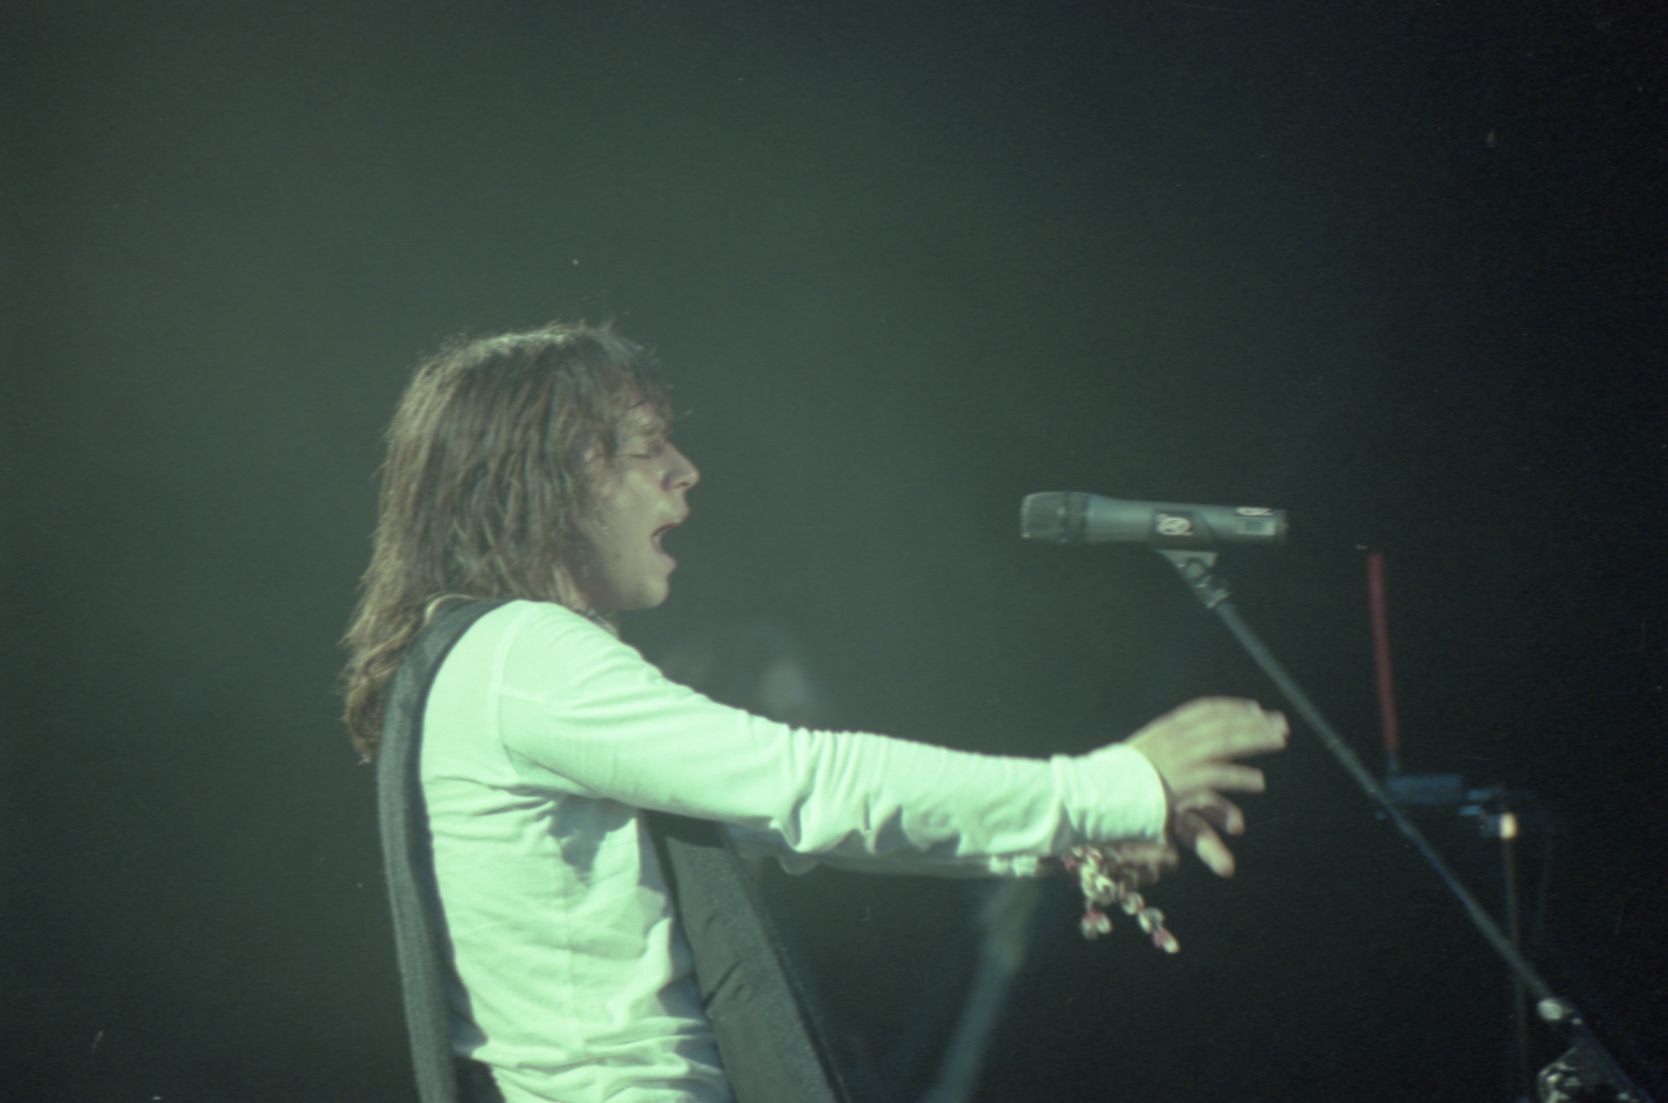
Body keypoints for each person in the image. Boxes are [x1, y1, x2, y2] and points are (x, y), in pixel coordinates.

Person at [339, 320, 1288, 1103]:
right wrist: (1108, 787)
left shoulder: (496, 661)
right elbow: (807, 785)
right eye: (646, 442)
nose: (685, 469)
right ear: (548, 473)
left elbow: (773, 822)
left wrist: (1063, 838)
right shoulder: (523, 652)